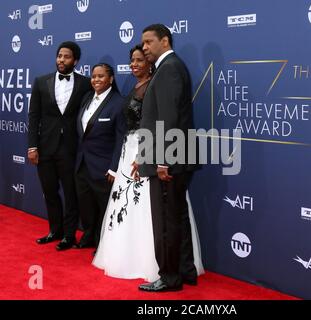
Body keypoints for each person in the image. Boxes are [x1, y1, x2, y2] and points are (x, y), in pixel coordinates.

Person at [93, 45, 204, 282]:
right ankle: (128, 255)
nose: (133, 64)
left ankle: (157, 265)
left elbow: (159, 122)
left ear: (150, 62)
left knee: (154, 210)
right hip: (129, 150)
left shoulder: (158, 82)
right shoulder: (134, 86)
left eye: (139, 60)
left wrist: (144, 154)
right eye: (131, 60)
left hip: (146, 152)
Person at [132, 24, 201, 292]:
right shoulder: (169, 67)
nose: (145, 47)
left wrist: (162, 160)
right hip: (172, 157)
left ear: (165, 40)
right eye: (143, 43)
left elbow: (169, 118)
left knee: (166, 221)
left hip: (169, 161)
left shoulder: (169, 68)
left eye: (149, 42)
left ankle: (170, 277)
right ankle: (185, 271)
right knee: (177, 216)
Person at [28, 41, 91, 251]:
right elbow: (34, 116)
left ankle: (70, 235)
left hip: (70, 147)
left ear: (75, 60)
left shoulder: (85, 83)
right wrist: (32, 146)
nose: (61, 60)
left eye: (66, 56)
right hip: (45, 146)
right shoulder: (41, 82)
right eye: (59, 56)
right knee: (50, 190)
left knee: (70, 192)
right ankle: (55, 230)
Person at [74, 63, 126, 253]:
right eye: (94, 76)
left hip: (104, 168)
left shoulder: (119, 103)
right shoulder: (87, 98)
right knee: (85, 204)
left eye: (101, 76)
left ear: (111, 79)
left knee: (104, 208)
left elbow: (121, 139)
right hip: (82, 164)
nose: (96, 80)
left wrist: (114, 168)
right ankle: (88, 235)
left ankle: (102, 242)